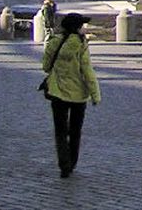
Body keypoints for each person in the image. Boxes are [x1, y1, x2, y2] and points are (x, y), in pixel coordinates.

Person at [42, 13, 100, 178]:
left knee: (60, 131)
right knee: (75, 131)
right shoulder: (81, 45)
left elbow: (46, 66)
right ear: (77, 28)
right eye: (82, 26)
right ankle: (72, 162)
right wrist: (95, 95)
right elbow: (87, 71)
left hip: (57, 92)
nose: (84, 29)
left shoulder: (54, 42)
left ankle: (63, 164)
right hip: (78, 94)